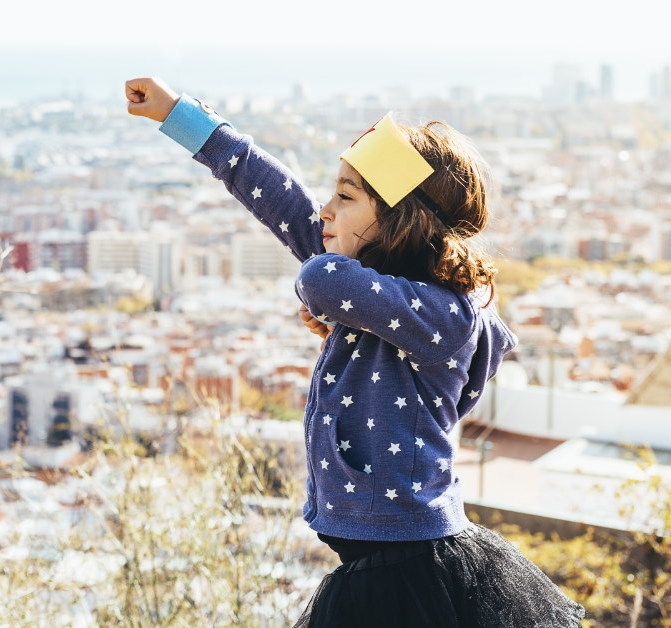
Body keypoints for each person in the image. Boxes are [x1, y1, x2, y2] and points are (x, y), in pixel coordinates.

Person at [125, 76, 585, 627]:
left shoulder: (441, 314)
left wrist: (326, 288)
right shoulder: (374, 289)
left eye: (345, 197)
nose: (323, 211)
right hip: (378, 559)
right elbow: (277, 197)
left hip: (407, 566)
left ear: (401, 221)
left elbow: (322, 281)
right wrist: (181, 116)